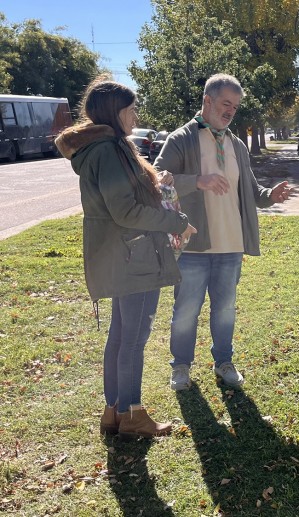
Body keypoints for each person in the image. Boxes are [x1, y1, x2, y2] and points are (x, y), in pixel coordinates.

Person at [55, 79, 196, 439]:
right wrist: (176, 220)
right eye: (131, 109)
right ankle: (132, 414)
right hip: (134, 255)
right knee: (131, 339)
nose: (136, 115)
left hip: (124, 253)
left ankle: (114, 412)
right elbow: (125, 211)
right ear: (115, 112)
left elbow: (123, 201)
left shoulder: (105, 148)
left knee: (120, 337)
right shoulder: (108, 149)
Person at [154, 73, 290, 391]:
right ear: (208, 101)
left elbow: (253, 191)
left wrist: (271, 194)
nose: (230, 111)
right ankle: (181, 367)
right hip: (194, 246)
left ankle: (224, 362)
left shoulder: (236, 144)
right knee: (186, 310)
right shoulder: (182, 139)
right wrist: (197, 181)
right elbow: (159, 179)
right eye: (225, 103)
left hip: (231, 246)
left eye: (235, 106)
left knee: (225, 309)